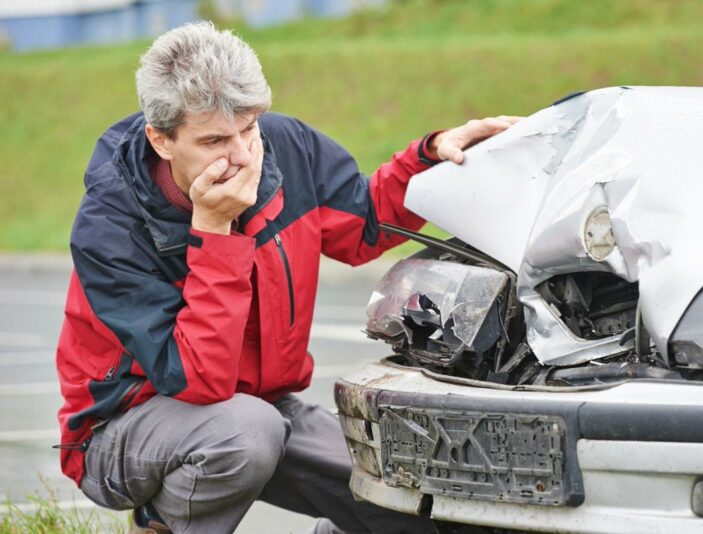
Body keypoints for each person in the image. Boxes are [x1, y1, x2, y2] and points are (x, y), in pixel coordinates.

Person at [55, 21, 517, 534]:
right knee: (244, 437)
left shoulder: (285, 145)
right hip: (125, 428)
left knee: (415, 498)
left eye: (248, 127)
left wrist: (434, 158)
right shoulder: (109, 229)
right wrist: (215, 231)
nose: (241, 154)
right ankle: (160, 523)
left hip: (268, 408)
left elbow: (364, 224)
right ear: (161, 140)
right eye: (212, 140)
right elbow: (198, 379)